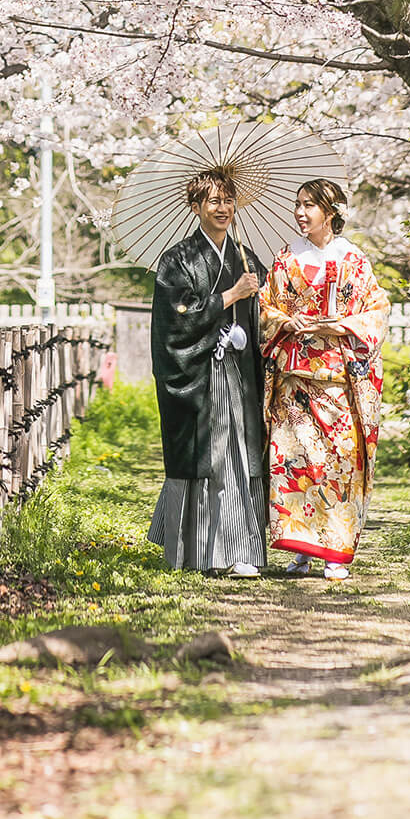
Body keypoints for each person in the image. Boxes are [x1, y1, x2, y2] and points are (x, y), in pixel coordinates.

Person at [259, 178, 389, 581]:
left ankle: (335, 549)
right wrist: (285, 319)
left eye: (309, 205)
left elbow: (377, 309)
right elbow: (266, 307)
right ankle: (300, 548)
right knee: (292, 462)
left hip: (337, 377)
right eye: (298, 204)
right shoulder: (285, 258)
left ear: (331, 212)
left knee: (337, 462)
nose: (300, 212)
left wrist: (341, 326)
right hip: (295, 378)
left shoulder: (354, 259)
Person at [147, 168, 269, 577]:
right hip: (200, 373)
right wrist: (229, 296)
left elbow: (266, 315)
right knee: (212, 452)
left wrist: (254, 307)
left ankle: (239, 551)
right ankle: (199, 550)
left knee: (237, 451)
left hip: (238, 373)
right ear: (195, 207)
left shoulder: (247, 258)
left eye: (228, 199)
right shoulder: (176, 260)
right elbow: (174, 318)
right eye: (213, 201)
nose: (223, 208)